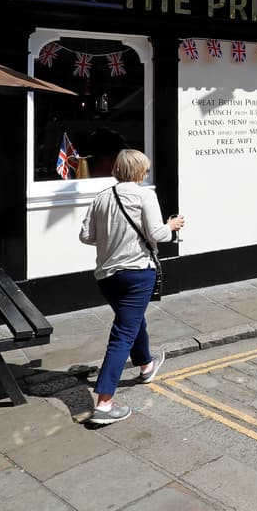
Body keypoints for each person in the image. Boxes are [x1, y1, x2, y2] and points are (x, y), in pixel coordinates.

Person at [79, 149, 184, 425]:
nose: (146, 173)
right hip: (137, 273)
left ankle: (146, 365)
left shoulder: (102, 197)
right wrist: (171, 225)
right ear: (139, 171)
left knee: (132, 322)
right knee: (123, 333)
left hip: (107, 276)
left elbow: (86, 235)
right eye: (145, 169)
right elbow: (158, 234)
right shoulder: (145, 194)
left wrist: (112, 240)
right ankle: (104, 403)